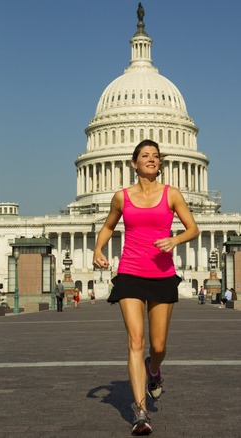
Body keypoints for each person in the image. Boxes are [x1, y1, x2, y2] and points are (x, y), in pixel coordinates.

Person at [93, 140, 199, 435]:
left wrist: (174, 240)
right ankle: (140, 411)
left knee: (159, 345)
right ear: (133, 163)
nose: (151, 159)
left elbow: (193, 228)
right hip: (130, 272)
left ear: (160, 163)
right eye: (145, 156)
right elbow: (109, 225)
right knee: (135, 342)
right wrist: (98, 249)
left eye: (155, 156)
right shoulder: (121, 197)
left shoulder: (172, 194)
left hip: (162, 274)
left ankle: (154, 370)